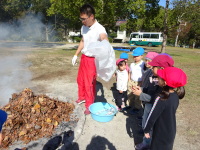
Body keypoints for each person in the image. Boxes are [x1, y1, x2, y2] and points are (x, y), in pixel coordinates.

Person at [71, 4, 108, 115]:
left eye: (84, 19)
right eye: (81, 18)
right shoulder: (84, 27)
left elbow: (104, 39)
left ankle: (89, 105)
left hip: (92, 60)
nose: (82, 21)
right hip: (84, 58)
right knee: (80, 79)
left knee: (89, 84)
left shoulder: (100, 29)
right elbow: (83, 41)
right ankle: (82, 97)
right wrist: (76, 54)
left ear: (91, 16)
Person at [133, 54, 174, 150]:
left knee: (150, 128)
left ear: (161, 68)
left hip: (153, 109)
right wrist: (142, 89)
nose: (151, 68)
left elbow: (156, 99)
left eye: (154, 67)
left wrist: (141, 94)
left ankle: (147, 144)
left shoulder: (163, 83)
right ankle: (146, 141)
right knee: (145, 124)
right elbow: (151, 91)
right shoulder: (154, 76)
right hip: (148, 106)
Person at [143, 67, 187, 150]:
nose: (157, 78)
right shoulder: (175, 96)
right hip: (171, 130)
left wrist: (146, 129)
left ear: (165, 82)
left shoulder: (161, 98)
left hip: (160, 132)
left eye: (159, 78)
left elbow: (152, 115)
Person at [127, 47, 145, 114]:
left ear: (141, 56)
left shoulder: (143, 64)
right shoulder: (132, 64)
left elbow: (144, 74)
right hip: (131, 81)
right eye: (134, 56)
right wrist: (129, 80)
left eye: (137, 56)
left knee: (137, 96)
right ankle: (130, 105)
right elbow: (130, 72)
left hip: (139, 82)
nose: (135, 57)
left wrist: (141, 84)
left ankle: (137, 108)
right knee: (130, 94)